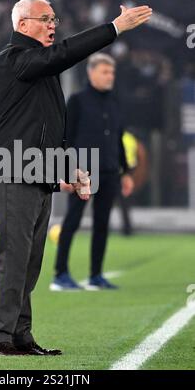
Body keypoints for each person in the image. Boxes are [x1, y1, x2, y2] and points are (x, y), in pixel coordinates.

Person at [0, 0, 152, 356]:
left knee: (30, 262)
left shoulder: (39, 71)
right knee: (14, 257)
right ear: (22, 25)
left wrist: (65, 171)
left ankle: (20, 335)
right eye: (45, 19)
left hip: (33, 172)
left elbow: (41, 131)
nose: (52, 25)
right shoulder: (14, 59)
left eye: (54, 19)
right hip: (12, 171)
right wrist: (114, 29)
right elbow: (61, 54)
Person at [50, 53, 134, 291]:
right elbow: (64, 137)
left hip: (109, 171)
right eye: (105, 72)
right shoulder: (77, 101)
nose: (110, 77)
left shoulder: (114, 102)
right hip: (83, 171)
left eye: (112, 73)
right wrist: (66, 170)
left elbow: (119, 139)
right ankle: (60, 274)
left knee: (102, 223)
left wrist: (125, 172)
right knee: (73, 220)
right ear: (91, 72)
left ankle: (96, 275)